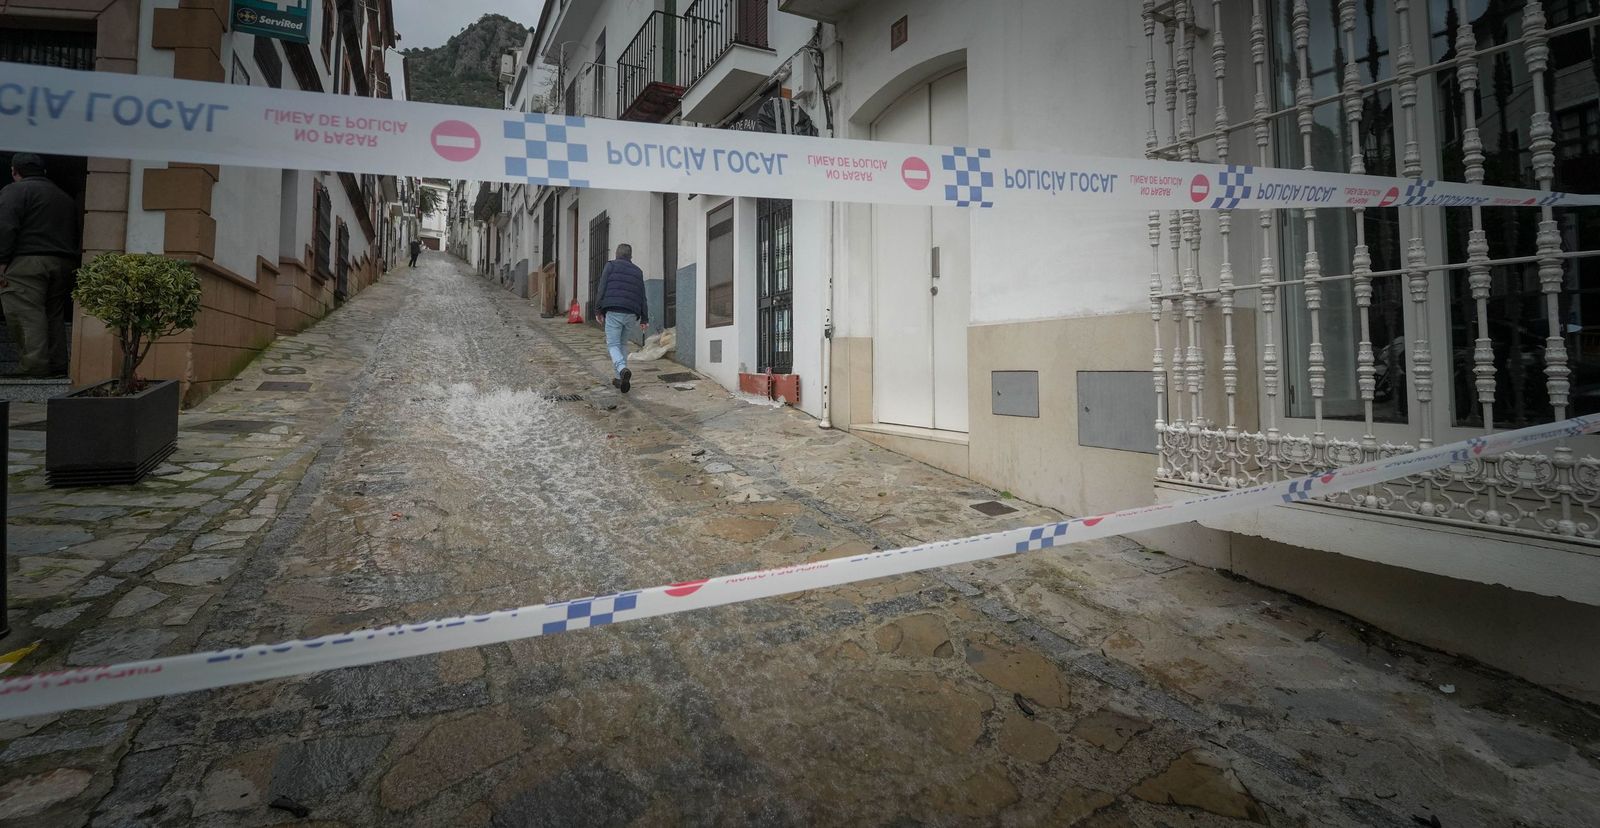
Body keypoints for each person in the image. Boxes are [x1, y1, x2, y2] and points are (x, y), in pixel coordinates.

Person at [0, 153, 79, 378]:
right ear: (43, 171)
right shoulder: (63, 196)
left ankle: (33, 367)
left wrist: (1, 261)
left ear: (15, 171)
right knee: (53, 314)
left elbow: (4, 226)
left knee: (25, 313)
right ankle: (56, 365)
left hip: (27, 262)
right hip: (63, 262)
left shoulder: (14, 191)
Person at [594, 243, 649, 394]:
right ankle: (620, 379)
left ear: (617, 254)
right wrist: (644, 318)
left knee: (612, 344)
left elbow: (602, 288)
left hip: (614, 311)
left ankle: (621, 368)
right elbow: (642, 296)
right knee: (623, 344)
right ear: (630, 256)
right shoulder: (638, 271)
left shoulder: (610, 266)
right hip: (631, 313)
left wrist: (598, 310)